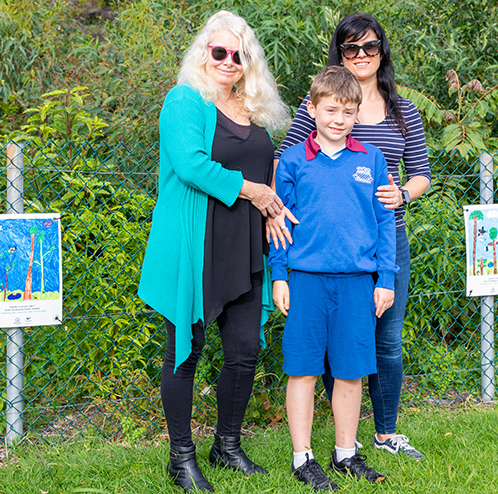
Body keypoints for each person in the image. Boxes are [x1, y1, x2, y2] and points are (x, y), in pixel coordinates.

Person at [136, 10, 291, 493]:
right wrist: (255, 193)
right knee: (187, 351)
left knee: (244, 352)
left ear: (248, 62)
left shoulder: (255, 112)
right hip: (196, 245)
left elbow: (268, 171)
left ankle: (226, 445)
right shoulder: (184, 101)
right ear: (204, 54)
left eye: (237, 54)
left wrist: (272, 205)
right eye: (218, 51)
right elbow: (189, 165)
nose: (227, 60)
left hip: (244, 248)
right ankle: (181, 458)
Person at [271, 13, 432, 459]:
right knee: (325, 348)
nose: (361, 56)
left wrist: (400, 194)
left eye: (370, 47)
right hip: (315, 255)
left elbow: (421, 175)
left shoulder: (402, 112)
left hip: (380, 243)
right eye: (351, 48)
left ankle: (383, 431)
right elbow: (287, 162)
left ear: (382, 51)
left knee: (386, 340)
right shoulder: (322, 102)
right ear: (339, 54)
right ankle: (335, 441)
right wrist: (277, 214)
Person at [270, 65, 397, 491]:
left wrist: (386, 278)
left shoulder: (371, 160)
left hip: (358, 284)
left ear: (356, 114)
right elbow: (278, 225)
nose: (338, 119)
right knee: (303, 370)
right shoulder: (292, 160)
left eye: (347, 111)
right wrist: (279, 274)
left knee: (350, 372)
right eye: (330, 110)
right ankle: (302, 457)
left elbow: (384, 224)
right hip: (305, 280)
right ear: (312, 108)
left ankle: (346, 453)